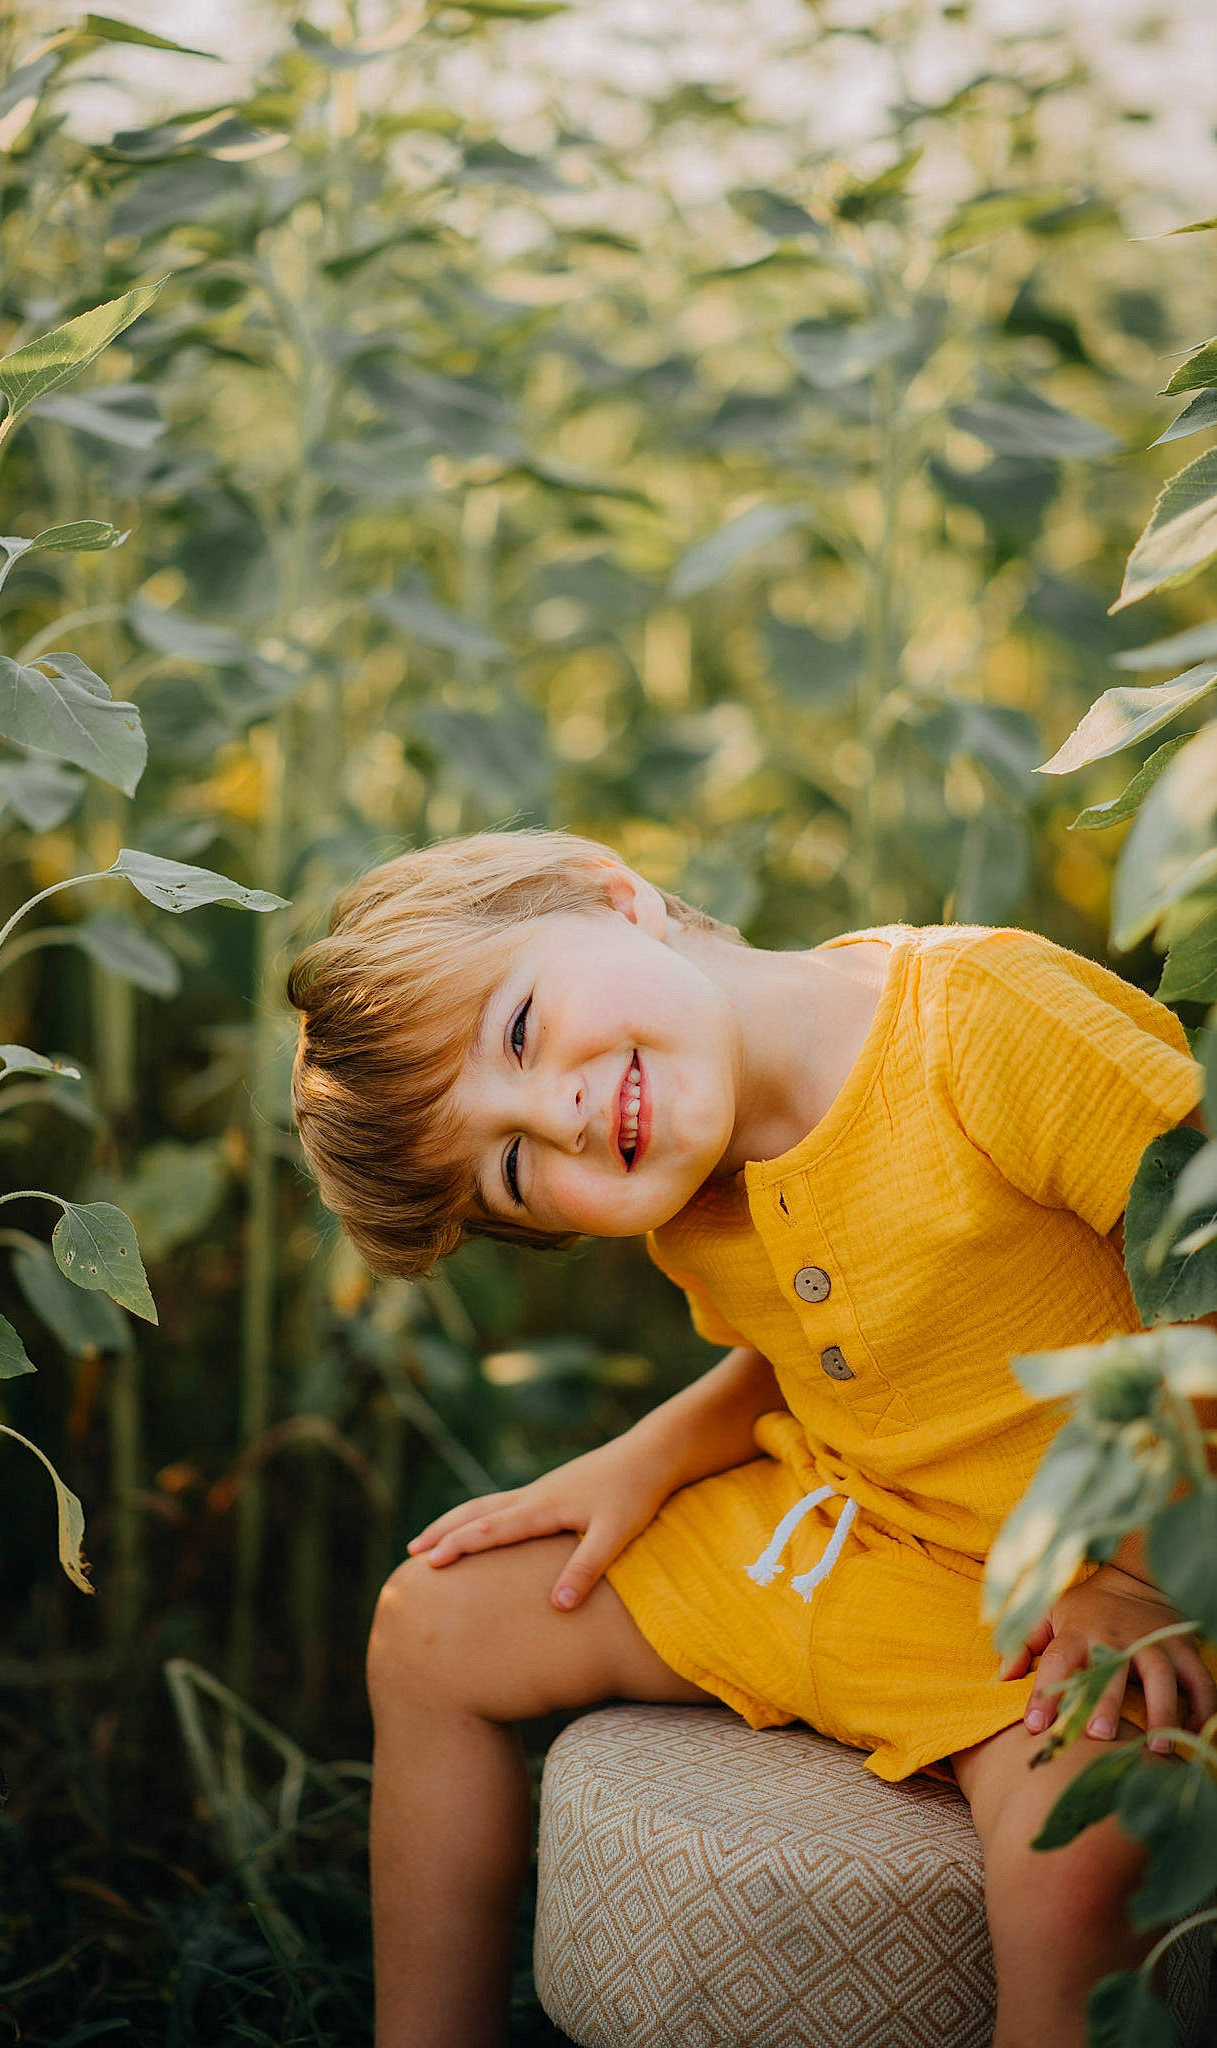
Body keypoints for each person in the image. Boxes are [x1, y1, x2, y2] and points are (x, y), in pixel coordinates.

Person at [285, 827, 1217, 2048]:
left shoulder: (977, 1018)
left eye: (513, 1031)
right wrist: (650, 1453)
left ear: (617, 898)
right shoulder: (684, 1164)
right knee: (430, 1623)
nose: (556, 1116)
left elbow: (1197, 1260)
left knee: (1086, 1845)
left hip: (1085, 1579)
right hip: (854, 1533)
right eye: (509, 1165)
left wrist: (1137, 1570)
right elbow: (812, 1345)